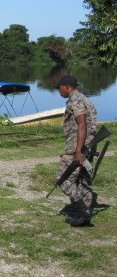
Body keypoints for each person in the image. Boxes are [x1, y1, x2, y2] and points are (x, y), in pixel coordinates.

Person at [55, 74, 98, 226]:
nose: (59, 91)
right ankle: (84, 217)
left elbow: (82, 125)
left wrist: (78, 151)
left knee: (63, 180)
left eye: (59, 88)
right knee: (83, 181)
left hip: (76, 148)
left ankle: (82, 211)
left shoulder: (75, 101)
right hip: (89, 146)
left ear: (67, 86)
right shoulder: (84, 98)